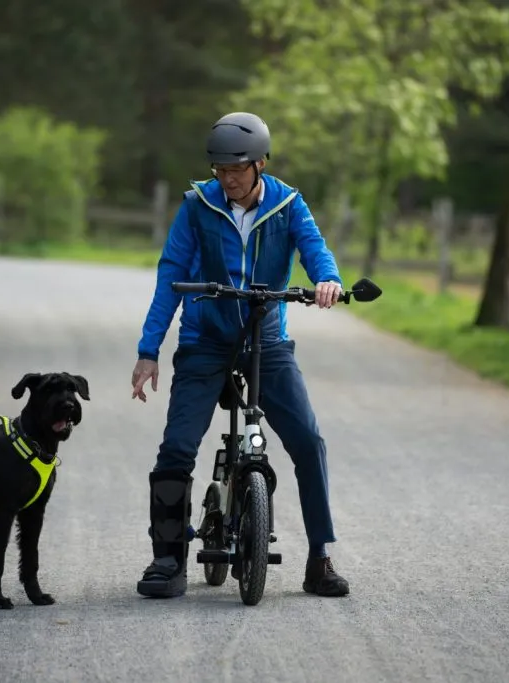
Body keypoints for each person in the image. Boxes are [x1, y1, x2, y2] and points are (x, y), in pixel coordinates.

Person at [132, 111, 349, 599]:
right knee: (177, 448)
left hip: (265, 337)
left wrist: (326, 280)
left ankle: (320, 558)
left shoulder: (289, 205)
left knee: (308, 442)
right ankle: (166, 561)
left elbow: (315, 249)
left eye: (237, 168)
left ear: (260, 164)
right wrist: (149, 350)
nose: (228, 178)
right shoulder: (196, 206)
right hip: (205, 338)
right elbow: (170, 277)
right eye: (220, 169)